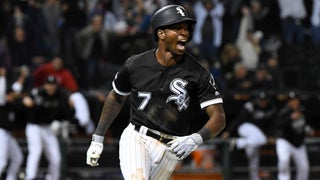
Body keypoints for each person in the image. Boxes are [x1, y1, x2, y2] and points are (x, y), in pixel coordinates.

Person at [86, 4, 226, 180]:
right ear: (161, 34)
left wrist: (196, 139)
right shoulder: (136, 64)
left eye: (186, 28)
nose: (185, 32)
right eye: (177, 28)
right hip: (137, 138)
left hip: (171, 147)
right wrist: (98, 138)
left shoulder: (198, 73)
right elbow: (116, 97)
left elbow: (219, 117)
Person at [22, 75, 73, 180]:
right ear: (45, 85)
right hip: (34, 127)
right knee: (36, 151)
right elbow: (25, 102)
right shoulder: (38, 92)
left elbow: (67, 112)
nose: (51, 87)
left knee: (56, 158)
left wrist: (70, 107)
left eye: (53, 85)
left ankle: (53, 177)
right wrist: (26, 101)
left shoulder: (60, 95)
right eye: (49, 85)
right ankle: (30, 177)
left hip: (49, 127)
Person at [222, 91, 277, 180]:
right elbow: (239, 119)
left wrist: (271, 135)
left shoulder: (270, 108)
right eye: (261, 100)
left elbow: (270, 124)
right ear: (257, 100)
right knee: (262, 140)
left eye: (264, 100)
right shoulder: (250, 105)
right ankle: (238, 143)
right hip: (245, 127)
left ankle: (254, 177)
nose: (262, 102)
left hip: (256, 134)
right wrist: (229, 131)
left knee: (252, 154)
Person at [275, 91, 314, 180]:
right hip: (285, 141)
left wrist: (309, 129)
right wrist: (290, 118)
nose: (294, 102)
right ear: (288, 102)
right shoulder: (284, 111)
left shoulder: (303, 110)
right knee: (284, 161)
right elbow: (278, 125)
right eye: (292, 100)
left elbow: (309, 124)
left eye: (296, 100)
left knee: (304, 168)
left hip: (299, 142)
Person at [0, 67, 24, 180]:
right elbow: (2, 92)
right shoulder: (2, 103)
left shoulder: (11, 103)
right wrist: (2, 77)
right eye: (8, 94)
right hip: (1, 133)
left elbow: (16, 88)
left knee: (17, 157)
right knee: (2, 162)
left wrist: (22, 76)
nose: (11, 95)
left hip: (8, 135)